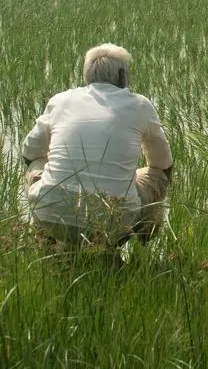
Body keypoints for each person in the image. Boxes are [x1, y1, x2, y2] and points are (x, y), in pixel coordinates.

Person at [21, 43, 174, 248]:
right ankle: (145, 241)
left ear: (88, 76)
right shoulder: (140, 105)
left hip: (50, 219)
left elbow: (29, 152)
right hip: (116, 225)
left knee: (36, 163)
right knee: (158, 176)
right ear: (122, 77)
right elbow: (163, 164)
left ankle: (46, 242)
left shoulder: (60, 101)